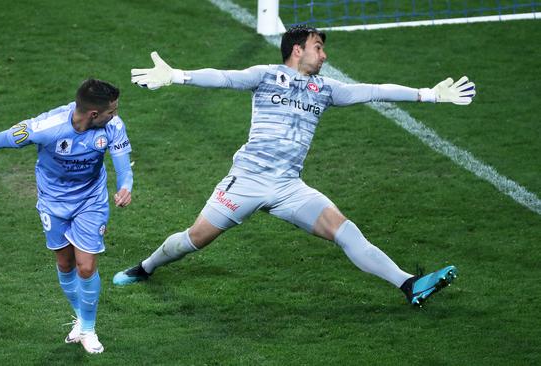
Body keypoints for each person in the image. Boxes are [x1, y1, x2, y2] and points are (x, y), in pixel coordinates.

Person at [113, 25, 475, 307]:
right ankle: (146, 267)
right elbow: (224, 77)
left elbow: (375, 89)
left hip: (288, 186)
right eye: (319, 47)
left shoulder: (327, 89)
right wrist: (177, 75)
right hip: (248, 181)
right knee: (194, 239)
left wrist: (430, 94)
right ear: (297, 49)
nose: (324, 55)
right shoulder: (266, 75)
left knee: (345, 230)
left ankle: (408, 283)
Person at [0, 79, 133, 353]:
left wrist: (125, 187)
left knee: (85, 266)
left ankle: (88, 329)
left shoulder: (113, 126)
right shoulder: (46, 127)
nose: (116, 115)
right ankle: (81, 318)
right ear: (93, 114)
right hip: (53, 203)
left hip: (91, 201)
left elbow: (123, 163)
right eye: (112, 111)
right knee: (65, 264)